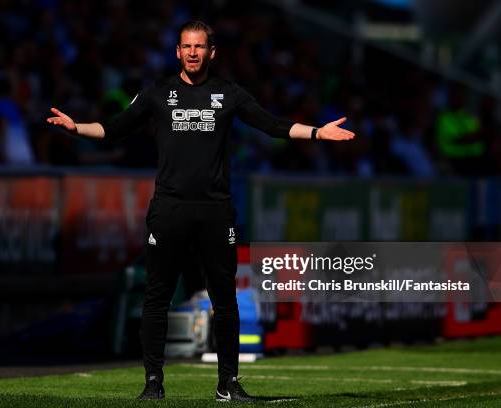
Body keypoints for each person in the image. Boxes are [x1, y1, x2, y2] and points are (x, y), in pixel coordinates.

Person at [47, 20, 354, 402]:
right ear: (177, 52)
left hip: (215, 211)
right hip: (169, 210)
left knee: (224, 298)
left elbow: (272, 125)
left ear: (212, 52)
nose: (192, 52)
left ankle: (228, 383)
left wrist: (316, 132)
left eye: (199, 47)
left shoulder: (228, 94)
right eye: (186, 47)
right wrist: (76, 128)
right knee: (157, 297)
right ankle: (153, 382)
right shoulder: (158, 93)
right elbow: (112, 129)